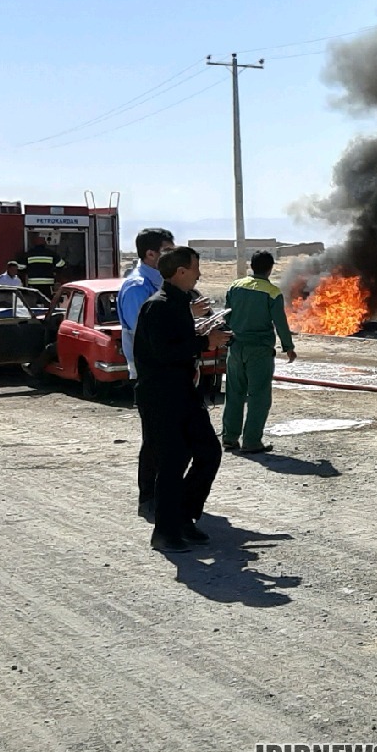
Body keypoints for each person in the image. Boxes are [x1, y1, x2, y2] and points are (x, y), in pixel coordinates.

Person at [134, 247, 230, 553]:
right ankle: (164, 532)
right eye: (196, 268)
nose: (200, 274)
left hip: (184, 393)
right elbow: (165, 352)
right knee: (172, 463)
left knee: (209, 452)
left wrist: (203, 330)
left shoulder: (178, 304)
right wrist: (205, 342)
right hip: (162, 396)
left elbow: (178, 340)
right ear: (181, 272)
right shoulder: (158, 306)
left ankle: (184, 516)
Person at [119, 228, 175, 519]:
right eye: (167, 251)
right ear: (150, 254)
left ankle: (168, 496)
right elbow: (145, 333)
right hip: (150, 373)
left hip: (171, 370)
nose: (173, 256)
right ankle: (148, 498)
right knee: (154, 439)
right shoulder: (137, 287)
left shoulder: (164, 282)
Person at [221, 250, 297, 454]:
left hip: (235, 348)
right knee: (259, 396)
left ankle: (229, 438)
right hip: (259, 351)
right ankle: (252, 441)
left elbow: (226, 316)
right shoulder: (272, 292)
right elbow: (280, 322)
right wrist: (288, 347)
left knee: (234, 393)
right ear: (270, 268)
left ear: (251, 266)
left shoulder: (235, 286)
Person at [21, 234, 66, 299]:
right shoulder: (51, 253)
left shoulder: (29, 254)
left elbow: (21, 267)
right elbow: (61, 264)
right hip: (48, 283)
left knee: (34, 301)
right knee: (47, 301)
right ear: (45, 243)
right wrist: (54, 271)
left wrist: (29, 271)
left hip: (33, 283)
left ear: (34, 243)